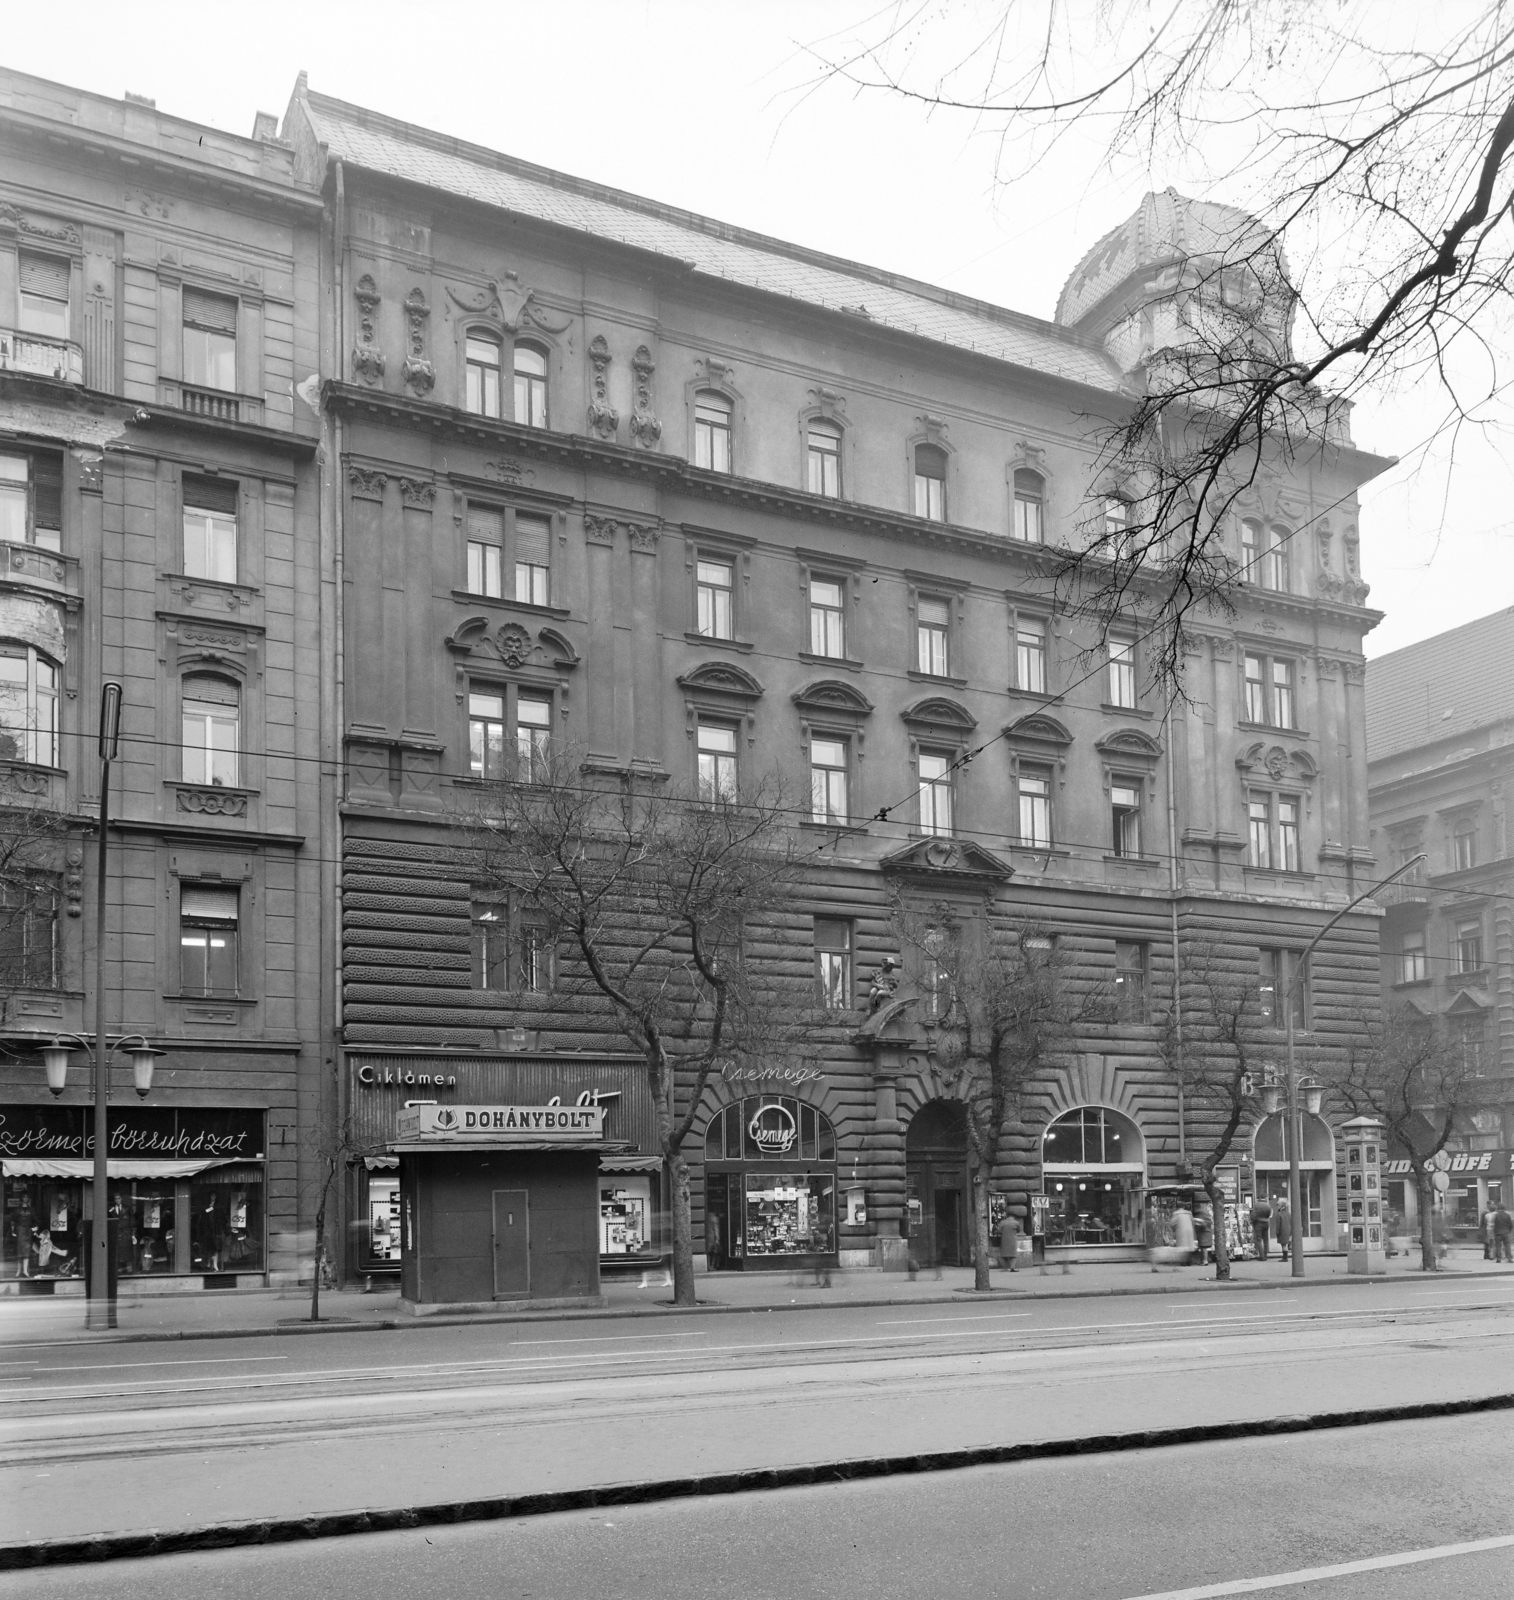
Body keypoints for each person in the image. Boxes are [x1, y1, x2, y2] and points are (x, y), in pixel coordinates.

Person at [1249, 1194, 1273, 1261]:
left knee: (1258, 1239)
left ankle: (1261, 1256)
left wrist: (1253, 1222)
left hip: (1258, 1223)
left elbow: (1254, 1215)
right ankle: (1265, 1255)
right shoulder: (1268, 1205)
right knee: (1266, 1240)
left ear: (1259, 1198)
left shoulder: (1256, 1205)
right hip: (1266, 1222)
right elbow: (1269, 1214)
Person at [998, 1208, 1021, 1272]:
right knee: (1013, 1255)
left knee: (1004, 1254)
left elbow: (999, 1231)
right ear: (1014, 1216)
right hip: (1013, 1240)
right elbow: (1019, 1230)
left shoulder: (1002, 1222)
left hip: (1004, 1240)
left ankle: (1005, 1267)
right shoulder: (1016, 1223)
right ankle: (1012, 1268)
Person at [1275, 1197, 1292, 1262]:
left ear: (1282, 1206)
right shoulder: (1288, 1213)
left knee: (1283, 1245)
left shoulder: (1279, 1214)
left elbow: (1278, 1225)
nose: (1277, 1207)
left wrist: (1277, 1232)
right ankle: (1285, 1257)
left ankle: (1285, 1258)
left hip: (1282, 1231)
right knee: (1285, 1244)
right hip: (1288, 1230)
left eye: (1278, 1205)